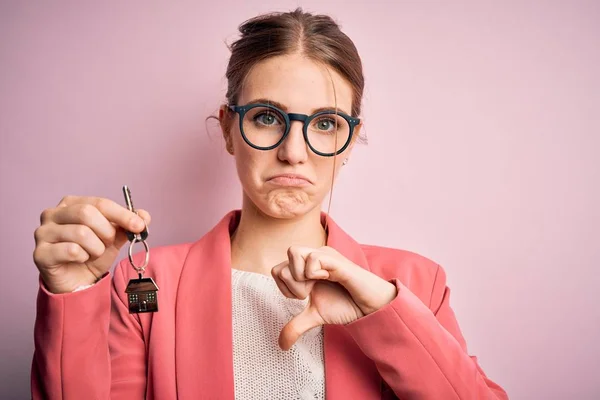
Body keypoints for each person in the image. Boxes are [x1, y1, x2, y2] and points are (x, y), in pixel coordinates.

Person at [31, 8, 508, 400]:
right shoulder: (148, 283)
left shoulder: (414, 284)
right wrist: (72, 295)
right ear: (227, 129)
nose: (294, 151)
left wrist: (383, 313)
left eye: (324, 124)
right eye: (266, 117)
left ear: (348, 141)